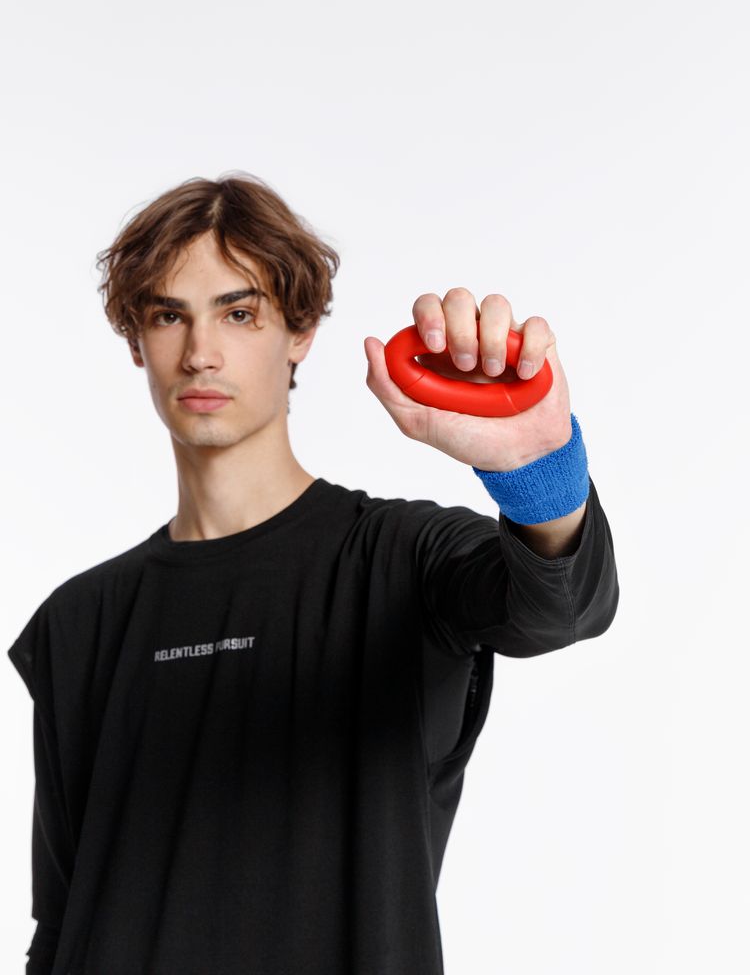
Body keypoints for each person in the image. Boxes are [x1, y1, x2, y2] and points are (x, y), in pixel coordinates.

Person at [7, 171, 619, 975]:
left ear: (299, 330)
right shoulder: (80, 621)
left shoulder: (401, 560)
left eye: (238, 313)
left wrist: (537, 472)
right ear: (135, 341)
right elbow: (60, 924)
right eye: (168, 315)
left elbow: (561, 606)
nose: (200, 353)